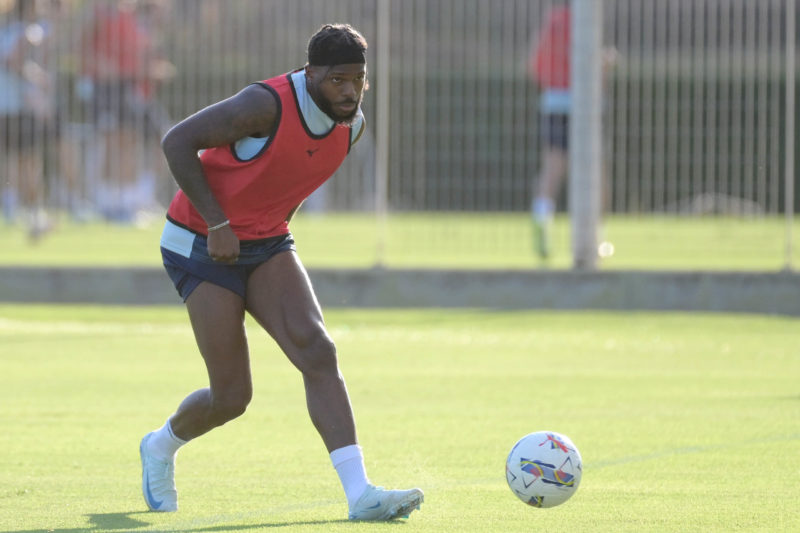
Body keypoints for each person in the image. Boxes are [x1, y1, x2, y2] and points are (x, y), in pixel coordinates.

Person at [139, 24, 424, 521]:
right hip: (200, 243)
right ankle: (160, 446)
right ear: (310, 73)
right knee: (232, 396)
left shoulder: (350, 125)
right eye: (338, 79)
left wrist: (268, 235)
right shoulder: (263, 105)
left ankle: (360, 494)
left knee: (318, 349)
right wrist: (218, 223)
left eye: (359, 79)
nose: (350, 91)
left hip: (265, 242)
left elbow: (288, 178)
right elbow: (177, 141)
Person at [528, 4, 615, 259]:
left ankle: (542, 220)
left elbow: (534, 65)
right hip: (585, 104)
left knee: (552, 168)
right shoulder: (588, 22)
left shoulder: (551, 21)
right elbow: (596, 66)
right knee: (596, 172)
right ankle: (596, 237)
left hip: (554, 102)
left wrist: (556, 81)